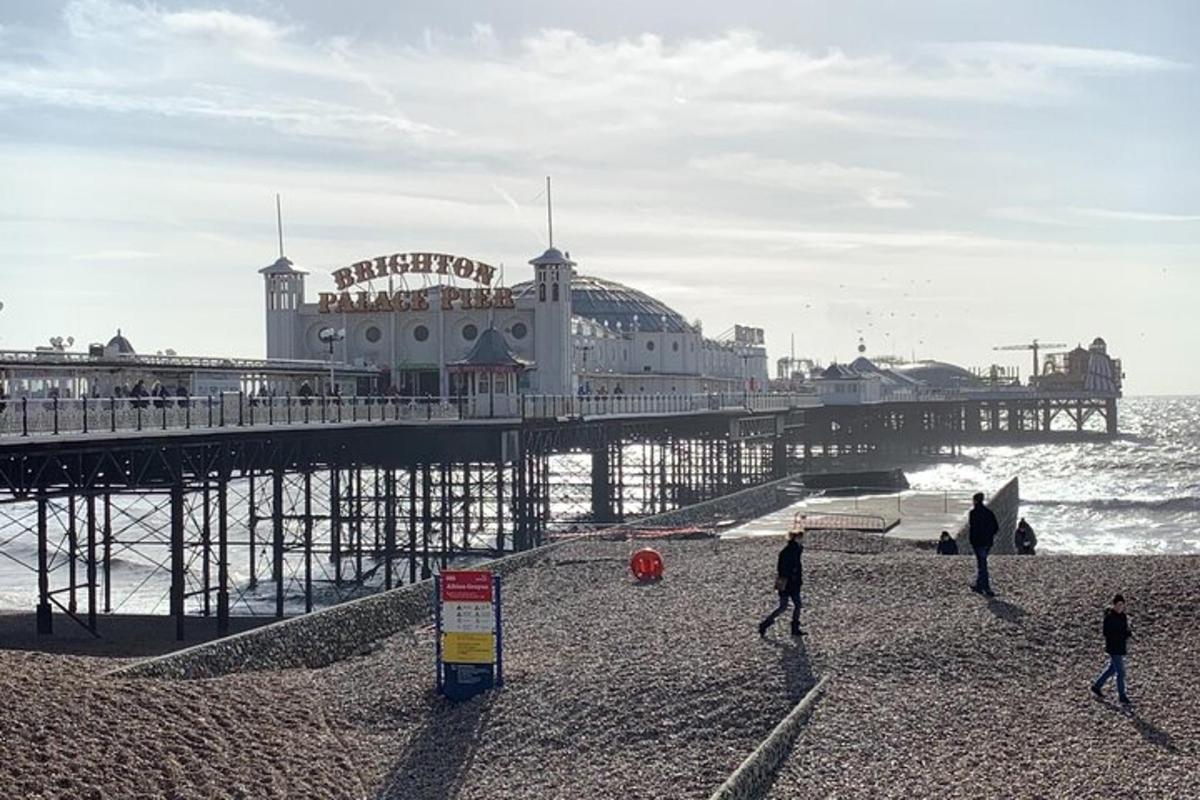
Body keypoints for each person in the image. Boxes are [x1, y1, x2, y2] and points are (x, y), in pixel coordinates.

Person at [758, 527, 805, 637]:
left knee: (790, 606)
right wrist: (792, 577)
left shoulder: (795, 550)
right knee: (788, 606)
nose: (802, 540)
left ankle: (792, 628)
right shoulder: (788, 551)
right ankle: (766, 624)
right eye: (800, 538)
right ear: (795, 538)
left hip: (792, 583)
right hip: (789, 583)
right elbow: (783, 568)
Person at [1091, 593, 1133, 704]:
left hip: (1120, 646)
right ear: (1114, 605)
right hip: (1113, 647)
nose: (1120, 607)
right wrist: (1119, 635)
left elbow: (1124, 630)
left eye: (1122, 605)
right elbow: (1106, 633)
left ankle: (1096, 686)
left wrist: (1127, 633)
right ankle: (1122, 696)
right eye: (1118, 605)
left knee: (1112, 669)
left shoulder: (1123, 616)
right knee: (1121, 672)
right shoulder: (1109, 617)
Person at [968, 491, 999, 597]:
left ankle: (986, 588)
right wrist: (989, 536)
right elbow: (996, 527)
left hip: (978, 543)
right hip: (988, 542)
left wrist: (972, 540)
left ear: (975, 501)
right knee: (982, 563)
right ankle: (979, 585)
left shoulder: (973, 513)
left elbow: (973, 529)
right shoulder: (989, 512)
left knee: (982, 564)